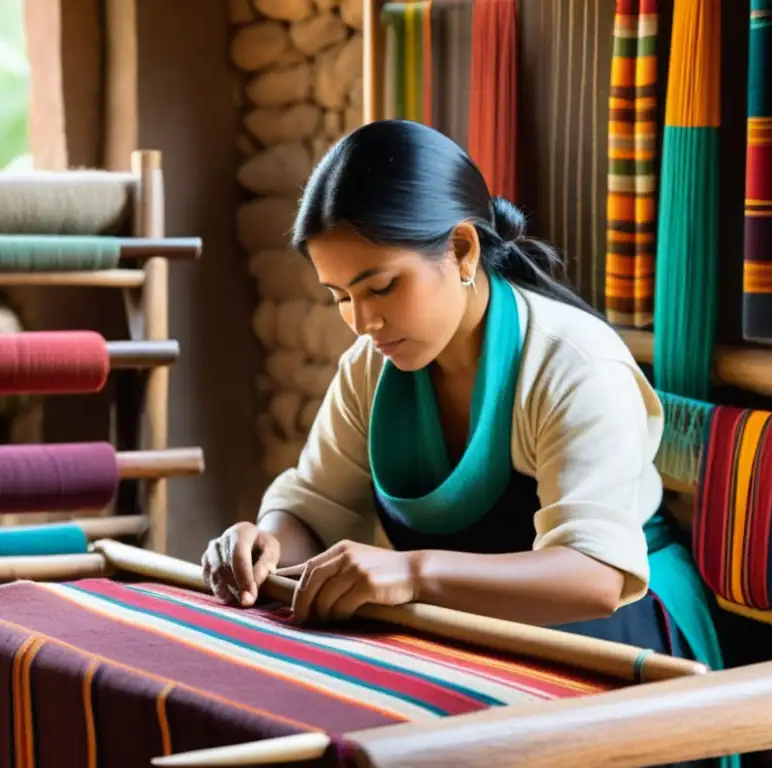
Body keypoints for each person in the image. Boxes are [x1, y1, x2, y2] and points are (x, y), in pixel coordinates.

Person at [202, 119, 725, 688]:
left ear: (461, 248)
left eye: (381, 287)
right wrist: (267, 545)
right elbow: (314, 506)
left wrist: (412, 571)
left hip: (629, 638)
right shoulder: (370, 366)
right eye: (341, 297)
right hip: (467, 628)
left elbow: (595, 577)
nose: (362, 320)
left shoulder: (573, 362)